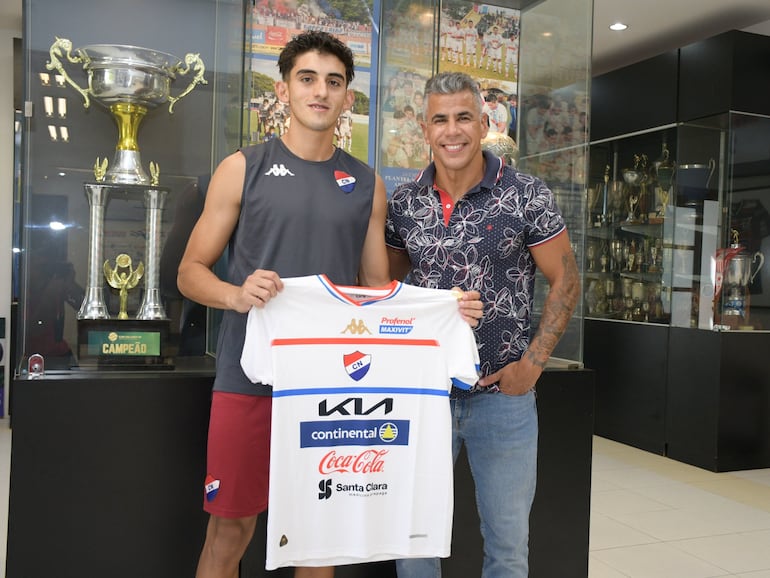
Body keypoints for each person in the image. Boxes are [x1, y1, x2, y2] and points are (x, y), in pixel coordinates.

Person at [178, 33, 482, 578]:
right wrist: (236, 294)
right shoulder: (242, 168)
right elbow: (189, 272)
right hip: (248, 381)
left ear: (347, 98)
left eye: (334, 82)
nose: (321, 91)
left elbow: (375, 290)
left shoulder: (365, 184)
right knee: (230, 531)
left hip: (333, 388)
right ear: (284, 89)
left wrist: (440, 312)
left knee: (320, 543)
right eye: (308, 78)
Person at [386, 71, 580, 578]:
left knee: (509, 547)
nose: (453, 131)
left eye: (464, 117)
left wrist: (532, 366)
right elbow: (384, 297)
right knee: (414, 541)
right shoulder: (404, 205)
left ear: (484, 122)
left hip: (504, 399)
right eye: (441, 119)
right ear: (424, 130)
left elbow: (567, 280)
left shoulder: (526, 194)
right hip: (423, 397)